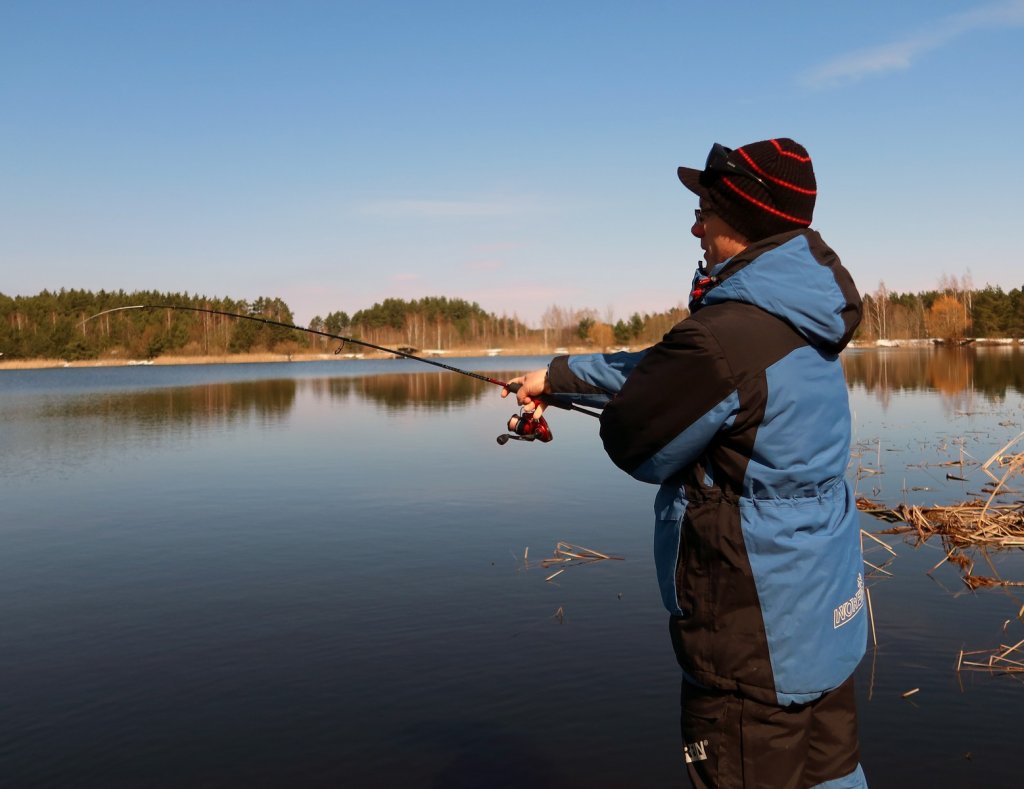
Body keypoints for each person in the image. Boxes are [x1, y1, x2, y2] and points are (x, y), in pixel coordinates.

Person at [503, 138, 868, 788]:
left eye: (706, 210)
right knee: (833, 777)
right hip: (821, 619)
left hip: (749, 640)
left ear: (745, 219)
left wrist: (605, 411)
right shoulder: (799, 317)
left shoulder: (722, 335)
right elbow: (674, 371)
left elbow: (637, 439)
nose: (695, 224)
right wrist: (556, 377)